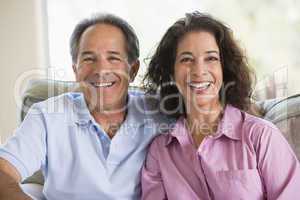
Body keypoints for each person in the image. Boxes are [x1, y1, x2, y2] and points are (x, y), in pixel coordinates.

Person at [0, 13, 170, 200]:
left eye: (113, 58)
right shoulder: (47, 115)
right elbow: (4, 173)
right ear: (76, 70)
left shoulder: (160, 112)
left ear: (133, 70)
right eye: (89, 59)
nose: (100, 70)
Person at [141, 11, 300, 199]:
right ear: (171, 73)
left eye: (211, 58)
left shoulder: (261, 137)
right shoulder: (160, 152)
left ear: (224, 69)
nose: (199, 70)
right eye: (186, 59)